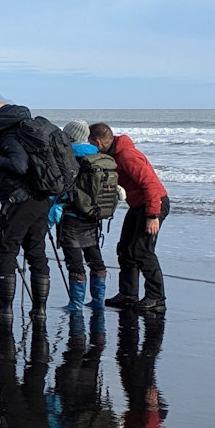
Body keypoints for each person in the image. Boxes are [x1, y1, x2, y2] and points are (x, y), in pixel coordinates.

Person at [90, 122, 170, 313]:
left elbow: (150, 184)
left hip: (153, 204)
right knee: (125, 249)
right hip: (138, 205)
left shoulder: (127, 156)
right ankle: (128, 294)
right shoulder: (112, 154)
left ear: (98, 142)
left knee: (142, 251)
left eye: (90, 143)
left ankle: (156, 298)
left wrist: (152, 216)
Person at [0, 101, 51, 315]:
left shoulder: (9, 136)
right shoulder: (23, 133)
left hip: (20, 202)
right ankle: (39, 310)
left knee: (8, 250)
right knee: (36, 252)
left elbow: (19, 166)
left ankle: (6, 309)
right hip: (40, 200)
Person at [56, 120, 110, 313]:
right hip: (93, 216)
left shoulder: (68, 156)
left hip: (71, 215)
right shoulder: (98, 156)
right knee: (94, 256)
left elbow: (60, 186)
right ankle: (98, 301)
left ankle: (76, 304)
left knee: (75, 261)